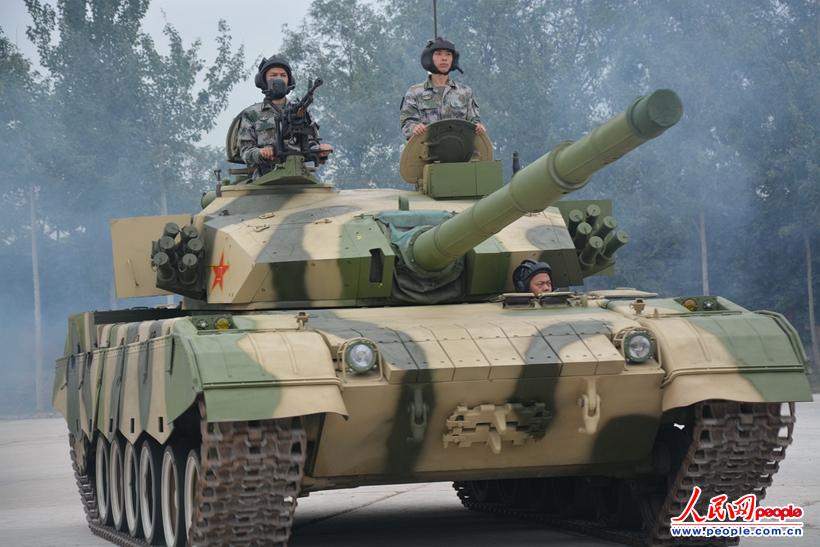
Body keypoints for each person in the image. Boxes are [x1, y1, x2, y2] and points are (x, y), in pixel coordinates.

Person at [238, 55, 333, 178]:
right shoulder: (252, 114)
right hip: (264, 179)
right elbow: (245, 152)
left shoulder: (301, 111)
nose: (279, 79)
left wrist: (320, 151)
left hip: (299, 178)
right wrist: (261, 153)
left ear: (289, 80)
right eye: (273, 75)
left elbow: (311, 144)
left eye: (283, 75)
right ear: (263, 81)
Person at [399, 37, 486, 141]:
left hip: (459, 148)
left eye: (448, 54)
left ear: (453, 59)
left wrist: (478, 127)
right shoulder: (415, 93)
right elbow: (407, 123)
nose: (444, 58)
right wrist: (414, 128)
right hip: (426, 148)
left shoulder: (465, 92)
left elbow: (474, 121)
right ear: (429, 58)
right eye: (438, 54)